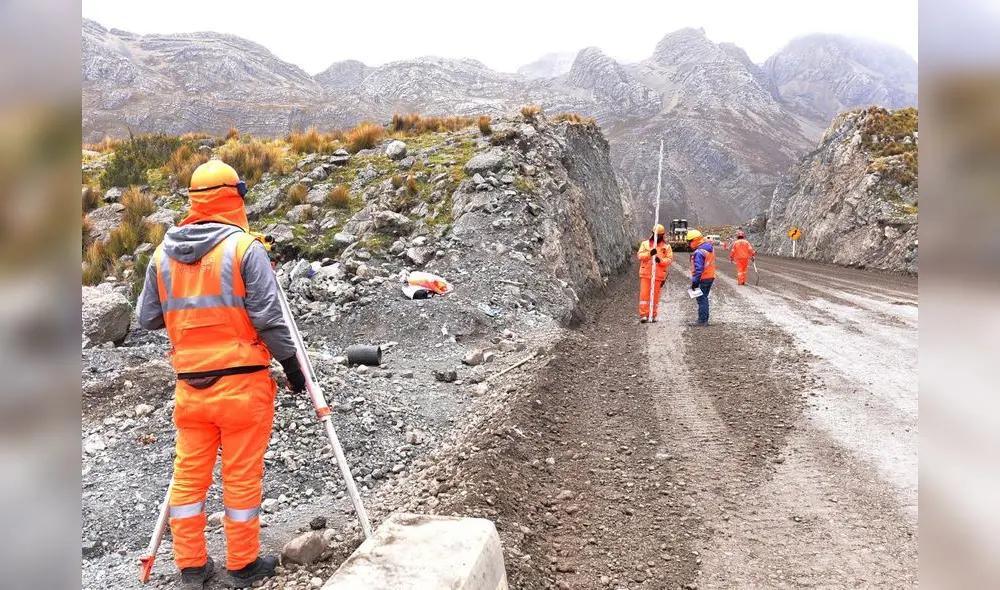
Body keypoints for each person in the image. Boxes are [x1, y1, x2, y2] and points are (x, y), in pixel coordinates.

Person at [136, 160, 306, 588]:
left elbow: (147, 318)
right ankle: (243, 563)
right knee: (241, 474)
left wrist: (190, 309)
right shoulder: (245, 249)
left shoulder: (162, 254)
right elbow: (269, 319)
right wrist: (293, 366)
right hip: (242, 385)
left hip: (190, 389)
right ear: (235, 195)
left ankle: (191, 565)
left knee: (190, 475)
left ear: (194, 199)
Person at [637, 223, 673, 323]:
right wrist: (649, 254)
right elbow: (640, 256)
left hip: (658, 275)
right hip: (646, 274)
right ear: (653, 234)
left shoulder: (667, 247)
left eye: (660, 235)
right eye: (657, 235)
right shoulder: (645, 244)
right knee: (644, 295)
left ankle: (653, 314)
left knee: (655, 296)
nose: (658, 237)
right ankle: (644, 315)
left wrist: (660, 260)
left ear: (663, 235)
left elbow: (669, 260)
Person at [686, 229, 716, 324]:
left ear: (694, 240)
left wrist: (695, 282)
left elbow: (698, 270)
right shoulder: (708, 249)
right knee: (704, 297)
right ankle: (704, 319)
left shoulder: (699, 252)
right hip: (710, 276)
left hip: (703, 278)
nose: (689, 244)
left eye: (689, 241)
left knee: (701, 298)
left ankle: (702, 320)